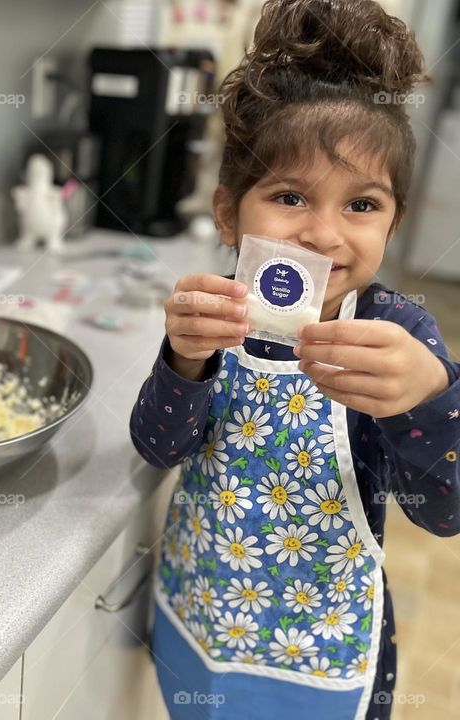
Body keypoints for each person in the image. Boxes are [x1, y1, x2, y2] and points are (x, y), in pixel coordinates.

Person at [129, 1, 460, 718]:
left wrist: (431, 395)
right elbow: (158, 449)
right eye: (290, 196)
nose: (323, 235)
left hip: (322, 657)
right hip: (202, 618)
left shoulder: (396, 333)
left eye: (362, 205)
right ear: (228, 213)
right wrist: (183, 361)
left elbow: (444, 513)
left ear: (394, 222)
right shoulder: (220, 314)